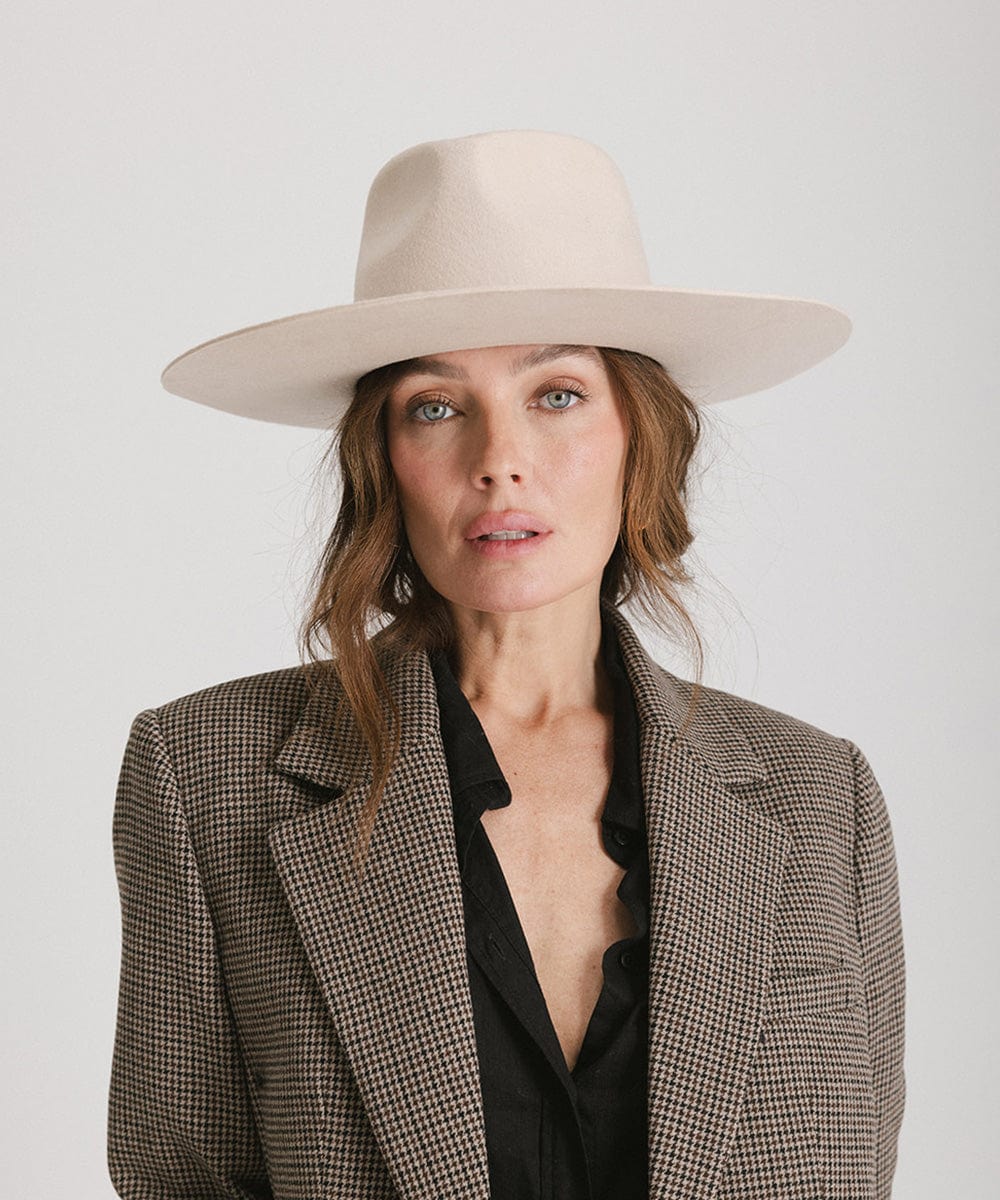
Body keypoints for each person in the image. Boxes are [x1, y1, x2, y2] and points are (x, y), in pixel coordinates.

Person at [109, 130, 905, 1200]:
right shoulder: (203, 775)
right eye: (434, 408)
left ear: (641, 435)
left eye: (558, 393)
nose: (498, 459)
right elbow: (179, 1176)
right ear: (382, 463)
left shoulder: (821, 801)